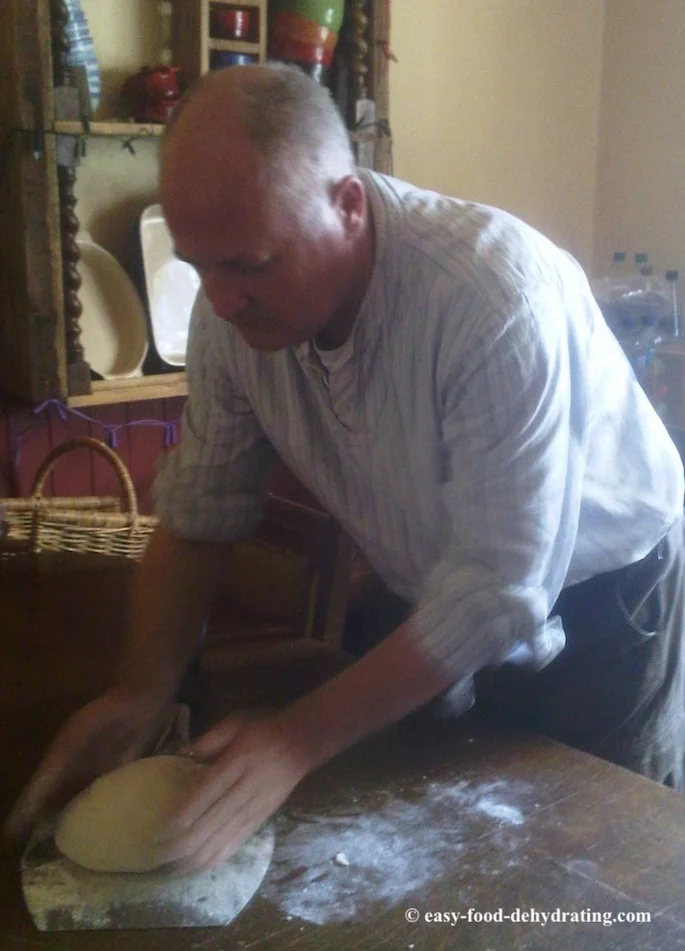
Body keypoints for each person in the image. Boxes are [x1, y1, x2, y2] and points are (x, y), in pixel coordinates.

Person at [5, 63, 685, 870]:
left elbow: (498, 589)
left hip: (606, 606)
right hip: (440, 598)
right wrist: (138, 689)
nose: (220, 301)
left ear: (349, 205)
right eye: (199, 265)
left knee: (587, 872)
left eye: (250, 265)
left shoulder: (493, 299)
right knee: (447, 856)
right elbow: (200, 509)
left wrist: (294, 738)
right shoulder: (229, 313)